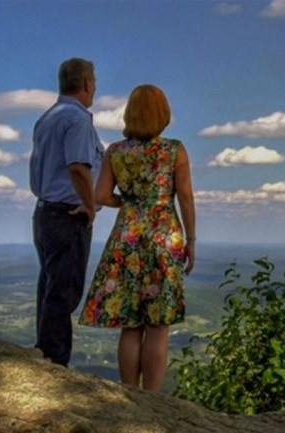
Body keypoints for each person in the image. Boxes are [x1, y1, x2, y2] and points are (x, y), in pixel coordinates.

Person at [78, 84, 196, 391]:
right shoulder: (174, 150)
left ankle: (129, 393)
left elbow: (100, 194)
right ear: (162, 114)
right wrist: (191, 240)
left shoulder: (116, 151)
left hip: (127, 236)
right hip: (163, 237)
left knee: (130, 322)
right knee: (158, 323)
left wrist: (129, 202)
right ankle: (152, 399)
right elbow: (186, 198)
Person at [29, 58, 104, 366]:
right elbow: (77, 166)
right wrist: (89, 204)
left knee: (50, 285)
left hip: (45, 213)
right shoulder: (77, 120)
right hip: (68, 214)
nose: (95, 87)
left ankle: (44, 352)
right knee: (63, 292)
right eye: (95, 81)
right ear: (86, 83)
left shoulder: (47, 118)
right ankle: (54, 363)